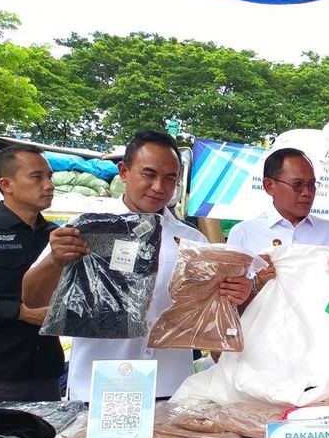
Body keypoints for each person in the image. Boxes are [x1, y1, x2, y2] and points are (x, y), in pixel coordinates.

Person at [22, 130, 253, 400]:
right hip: (98, 388)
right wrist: (55, 260)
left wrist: (233, 294)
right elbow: (32, 299)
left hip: (171, 387)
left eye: (170, 178)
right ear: (124, 171)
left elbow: (211, 315)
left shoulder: (192, 239)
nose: (159, 187)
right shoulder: (86, 229)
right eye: (149, 174)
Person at [226, 148, 329, 289]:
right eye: (297, 185)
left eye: (312, 185)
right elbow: (230, 300)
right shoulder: (244, 233)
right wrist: (257, 284)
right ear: (269, 186)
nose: (307, 193)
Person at [0, 145, 64, 401]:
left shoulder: (57, 237)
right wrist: (19, 311)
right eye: (37, 177)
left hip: (46, 370)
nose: (48, 185)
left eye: (50, 177)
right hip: (2, 371)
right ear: (7, 184)